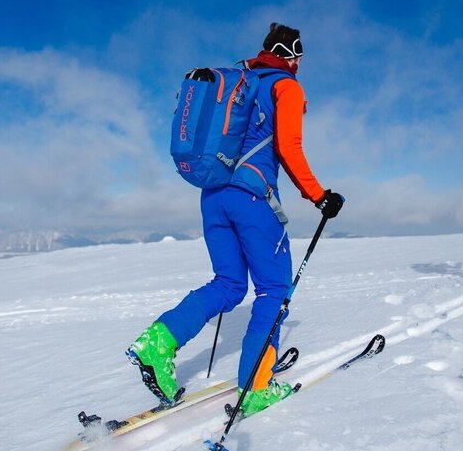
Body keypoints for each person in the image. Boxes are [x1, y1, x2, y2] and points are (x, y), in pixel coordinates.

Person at [126, 23, 345, 416]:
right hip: (253, 197)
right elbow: (289, 147)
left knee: (228, 284)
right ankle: (256, 387)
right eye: (299, 57)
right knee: (274, 290)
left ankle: (157, 343)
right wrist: (319, 195)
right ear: (293, 56)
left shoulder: (240, 82)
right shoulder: (286, 87)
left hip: (213, 196)